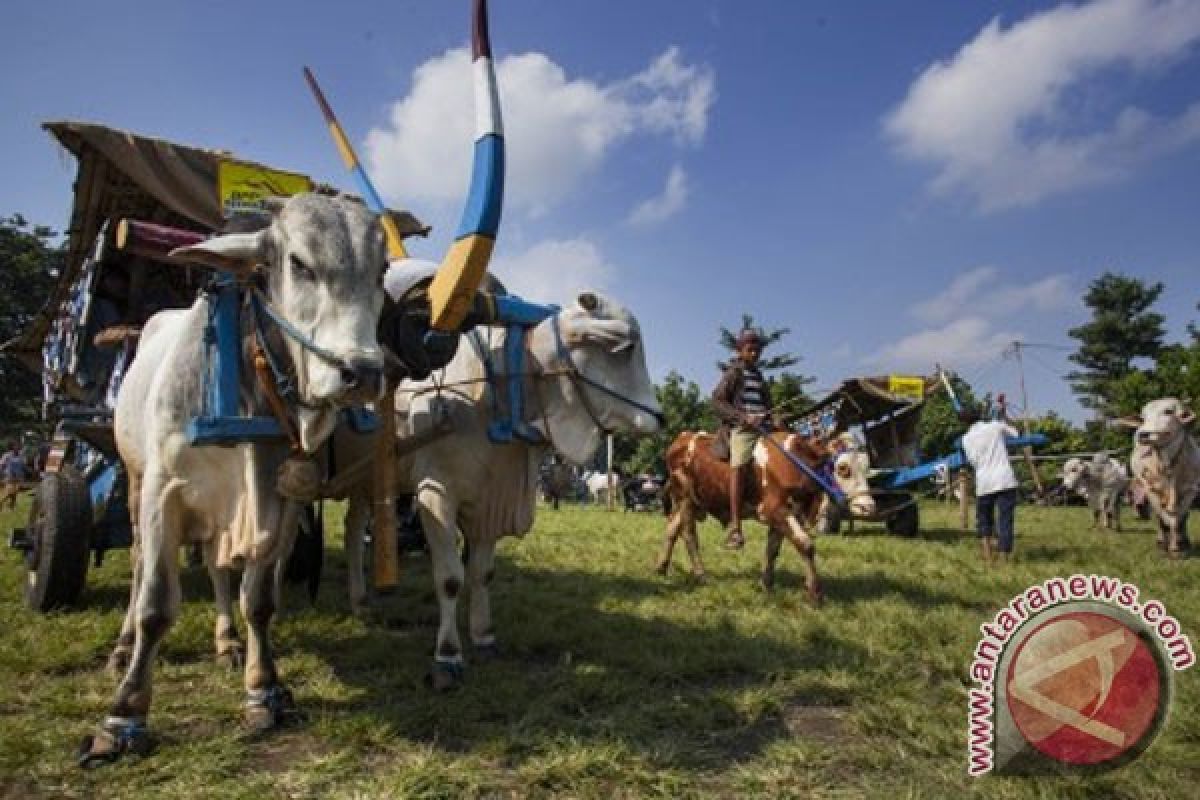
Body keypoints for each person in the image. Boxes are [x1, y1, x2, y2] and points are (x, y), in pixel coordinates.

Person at [711, 328, 774, 550]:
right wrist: (743, 418)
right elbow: (717, 401)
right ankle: (736, 527)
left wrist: (773, 416)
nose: (755, 354)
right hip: (742, 430)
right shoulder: (733, 372)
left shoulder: (759, 376)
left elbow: (769, 405)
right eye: (750, 350)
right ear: (740, 351)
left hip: (764, 428)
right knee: (738, 466)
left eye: (758, 350)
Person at [960, 404, 1020, 564]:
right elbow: (1016, 433)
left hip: (984, 482)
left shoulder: (966, 439)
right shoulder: (995, 426)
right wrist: (1004, 416)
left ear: (964, 423)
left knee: (984, 520)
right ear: (980, 415)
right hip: (1005, 479)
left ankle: (987, 556)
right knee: (1005, 520)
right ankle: (1003, 558)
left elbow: (972, 461)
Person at [1, 443, 29, 511]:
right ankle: (1, 502)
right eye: (15, 446)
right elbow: (2, 464)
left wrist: (27, 470)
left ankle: (12, 507)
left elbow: (24, 465)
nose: (17, 447)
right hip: (10, 476)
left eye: (18, 446)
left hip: (19, 477)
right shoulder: (7, 455)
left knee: (15, 492)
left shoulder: (21, 456)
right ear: (12, 447)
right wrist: (2, 471)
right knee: (10, 492)